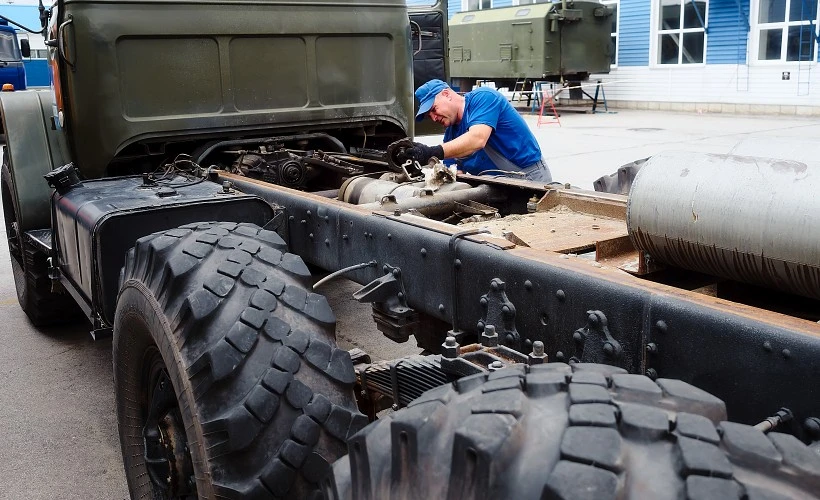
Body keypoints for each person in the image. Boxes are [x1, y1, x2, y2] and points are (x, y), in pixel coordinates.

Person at [406, 79, 552, 182]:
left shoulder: (484, 98)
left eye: (433, 109)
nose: (433, 118)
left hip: (528, 179)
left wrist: (431, 152)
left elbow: (477, 139)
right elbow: (455, 174)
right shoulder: (451, 135)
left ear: (446, 94)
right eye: (429, 116)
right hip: (495, 186)